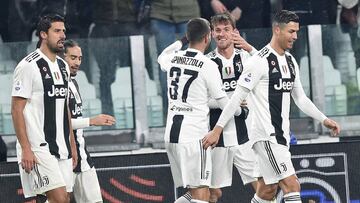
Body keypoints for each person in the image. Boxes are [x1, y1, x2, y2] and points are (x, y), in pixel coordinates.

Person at [202, 10, 341, 203]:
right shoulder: (259, 61)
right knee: (292, 185)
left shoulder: (290, 61)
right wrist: (217, 130)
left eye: (296, 31)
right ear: (277, 30)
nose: (295, 36)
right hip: (266, 136)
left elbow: (300, 98)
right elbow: (236, 99)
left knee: (267, 190)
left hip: (280, 136)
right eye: (291, 31)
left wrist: (323, 119)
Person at [175, 12, 259, 203]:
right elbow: (198, 100)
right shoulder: (206, 62)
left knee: (265, 188)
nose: (221, 34)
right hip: (216, 138)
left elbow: (269, 73)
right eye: (217, 30)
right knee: (211, 194)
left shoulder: (247, 58)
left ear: (235, 32)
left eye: (226, 30)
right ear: (211, 34)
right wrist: (232, 100)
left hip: (246, 137)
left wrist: (251, 48)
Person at [158, 18, 241, 203]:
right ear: (208, 37)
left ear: (188, 37)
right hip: (194, 138)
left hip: (172, 136)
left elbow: (161, 56)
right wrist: (239, 108)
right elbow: (224, 103)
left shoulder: (173, 58)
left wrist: (181, 41)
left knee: (199, 194)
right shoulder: (207, 65)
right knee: (202, 196)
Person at [11, 14, 77, 203]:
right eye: (57, 31)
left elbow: (65, 108)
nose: (62, 35)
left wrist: (72, 144)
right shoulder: (28, 66)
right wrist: (26, 148)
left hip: (62, 146)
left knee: (65, 198)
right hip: (38, 146)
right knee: (60, 200)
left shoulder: (64, 67)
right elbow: (16, 110)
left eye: (64, 31)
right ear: (43, 34)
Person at [62, 39, 116, 203]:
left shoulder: (75, 83)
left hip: (82, 156)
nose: (77, 62)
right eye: (73, 58)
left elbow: (73, 120)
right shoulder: (57, 84)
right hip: (62, 156)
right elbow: (59, 122)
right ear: (61, 57)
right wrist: (91, 121)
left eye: (80, 58)